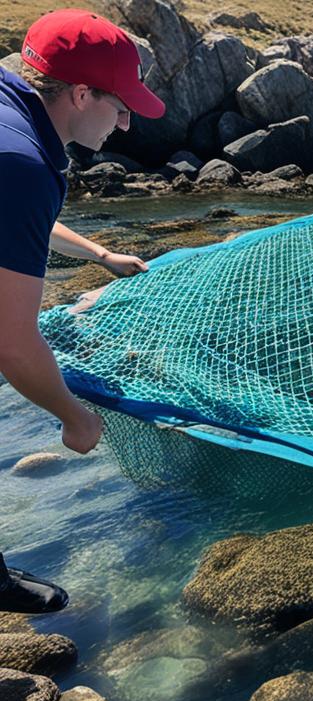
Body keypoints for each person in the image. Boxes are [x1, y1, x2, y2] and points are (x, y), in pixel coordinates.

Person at [0, 9, 165, 613]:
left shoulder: (10, 102)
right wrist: (75, 418)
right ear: (79, 93)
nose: (125, 121)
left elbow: (11, 218)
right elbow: (13, 344)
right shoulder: (19, 162)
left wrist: (99, 253)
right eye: (120, 105)